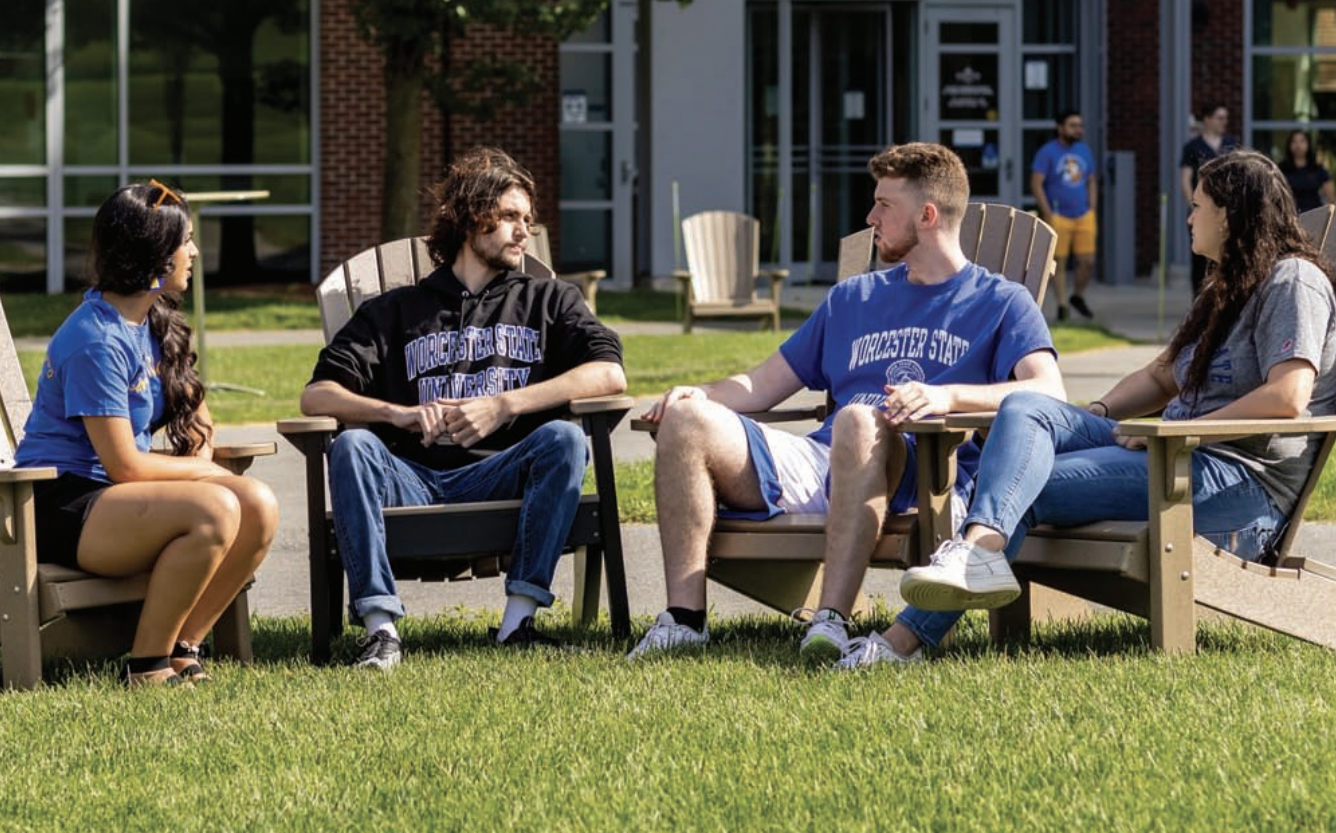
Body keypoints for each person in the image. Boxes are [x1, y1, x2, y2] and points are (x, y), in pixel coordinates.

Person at [842, 150, 1336, 669]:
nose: (1188, 217)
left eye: (1197, 206)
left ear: (1230, 215)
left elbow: (1288, 396)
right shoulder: (1228, 286)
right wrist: (1090, 416)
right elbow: (1159, 377)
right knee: (1028, 406)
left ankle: (904, 641)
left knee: (1023, 487)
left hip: (1233, 483)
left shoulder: (1292, 281)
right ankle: (979, 556)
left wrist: (1180, 431)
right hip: (1178, 457)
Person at [626, 142, 1066, 661]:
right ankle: (684, 620)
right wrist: (698, 396)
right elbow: (762, 384)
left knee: (857, 419)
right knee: (687, 419)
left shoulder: (1000, 301)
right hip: (825, 461)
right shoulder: (853, 298)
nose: (870, 217)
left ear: (927, 216)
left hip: (923, 470)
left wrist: (945, 396)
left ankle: (830, 620)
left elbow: (1047, 391)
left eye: (884, 205)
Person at [300, 146, 626, 670]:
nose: (524, 231)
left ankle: (517, 624)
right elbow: (317, 395)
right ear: (472, 217)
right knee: (352, 445)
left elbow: (609, 373)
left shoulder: (549, 300)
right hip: (409, 478)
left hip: (504, 474)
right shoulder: (394, 311)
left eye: (528, 220)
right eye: (511, 217)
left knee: (564, 439)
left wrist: (503, 405)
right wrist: (397, 414)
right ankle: (381, 633)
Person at [14, 181, 279, 687]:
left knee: (259, 504)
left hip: (114, 499)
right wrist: (205, 472)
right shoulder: (94, 339)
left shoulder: (154, 323)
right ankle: (146, 666)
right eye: (186, 242)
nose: (194, 253)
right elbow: (125, 465)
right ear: (153, 253)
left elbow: (198, 419)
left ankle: (183, 647)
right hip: (57, 502)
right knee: (217, 507)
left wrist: (204, 455)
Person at [1031, 109, 1099, 320]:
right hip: (1058, 215)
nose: (1078, 130)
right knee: (1058, 262)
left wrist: (1092, 206)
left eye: (1080, 125)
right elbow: (1036, 183)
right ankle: (1062, 306)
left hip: (1083, 215)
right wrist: (1048, 213)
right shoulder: (1047, 152)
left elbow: (1091, 180)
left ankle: (1077, 296)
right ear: (1060, 128)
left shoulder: (1084, 151)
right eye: (1073, 125)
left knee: (1088, 261)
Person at [1180, 103, 1240, 296]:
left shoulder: (1231, 144)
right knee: (1200, 258)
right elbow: (1185, 179)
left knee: (1225, 256)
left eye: (1225, 118)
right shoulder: (1193, 147)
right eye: (1220, 118)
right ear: (1207, 119)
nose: (1224, 122)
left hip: (1226, 211)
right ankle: (1199, 300)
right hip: (1202, 210)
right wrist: (1194, 207)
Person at [1279, 130, 1334, 214]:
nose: (1298, 145)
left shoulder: (1318, 169)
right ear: (1289, 145)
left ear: (1308, 144)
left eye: (1302, 141)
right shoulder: (1281, 169)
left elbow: (1331, 197)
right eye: (1294, 141)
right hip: (1290, 215)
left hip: (1315, 214)